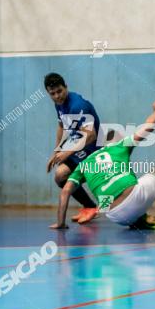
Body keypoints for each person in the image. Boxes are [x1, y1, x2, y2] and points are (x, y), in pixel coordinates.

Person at [50, 94, 155, 230]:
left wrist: (61, 223)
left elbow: (65, 192)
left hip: (116, 217)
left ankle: (139, 221)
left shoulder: (83, 165)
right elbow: (147, 128)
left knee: (113, 188)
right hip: (134, 199)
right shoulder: (119, 147)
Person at [44, 73, 101, 224]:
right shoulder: (59, 104)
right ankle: (89, 206)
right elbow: (61, 126)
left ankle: (91, 207)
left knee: (61, 174)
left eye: (60, 91)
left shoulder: (78, 105)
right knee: (59, 177)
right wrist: (57, 151)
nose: (57, 96)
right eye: (53, 93)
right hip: (77, 144)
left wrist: (67, 152)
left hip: (92, 148)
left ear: (66, 87)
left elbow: (91, 136)